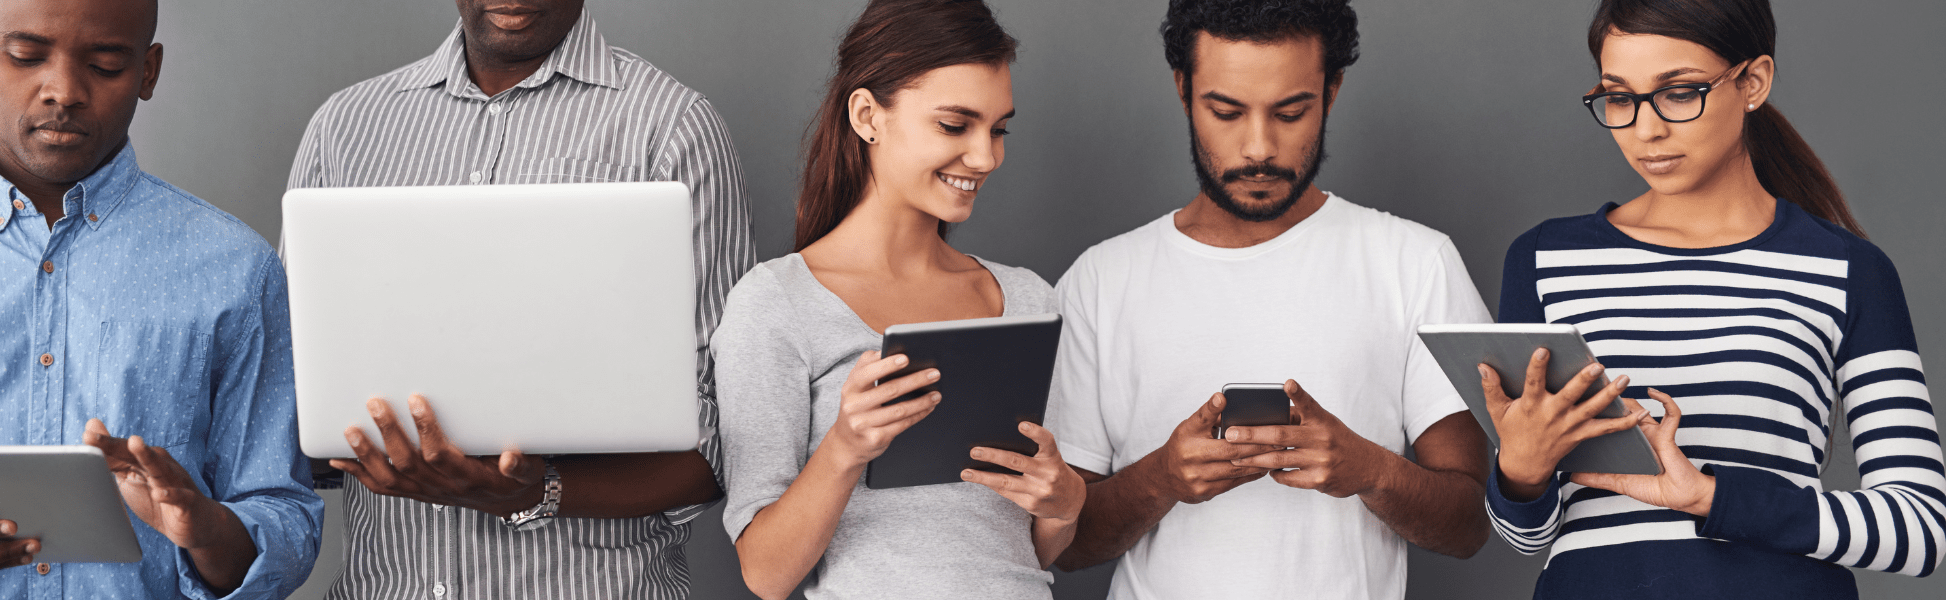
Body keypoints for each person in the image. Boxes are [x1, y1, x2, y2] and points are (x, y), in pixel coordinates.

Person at [285, 0, 753, 597]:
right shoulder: (346, 129)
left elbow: (725, 442)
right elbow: (295, 395)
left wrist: (534, 490)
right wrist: (337, 442)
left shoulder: (673, 128)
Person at [1482, 0, 1944, 597]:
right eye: (1620, 97)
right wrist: (1521, 470)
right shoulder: (1545, 260)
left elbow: (1920, 528)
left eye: (1678, 92)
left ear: (1753, 82)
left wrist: (1711, 496)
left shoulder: (1849, 269)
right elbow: (1527, 538)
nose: (1646, 129)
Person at [1044, 0, 1494, 597]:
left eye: (1290, 112)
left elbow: (1469, 525)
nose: (1259, 148)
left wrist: (1369, 470)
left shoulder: (1415, 263)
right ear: (1184, 90)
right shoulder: (1099, 282)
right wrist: (1162, 477)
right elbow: (1060, 544)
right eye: (1226, 111)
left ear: (1331, 91)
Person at [0, 0, 323, 597]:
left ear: (148, 72)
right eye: (27, 56)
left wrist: (206, 530)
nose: (63, 91)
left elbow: (283, 514)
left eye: (105, 63)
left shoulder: (236, 269)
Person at [711, 1, 1080, 599]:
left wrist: (1064, 504)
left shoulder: (1026, 298)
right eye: (955, 126)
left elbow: (1026, 545)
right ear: (867, 116)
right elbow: (765, 574)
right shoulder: (776, 303)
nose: (986, 157)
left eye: (999, 128)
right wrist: (845, 448)